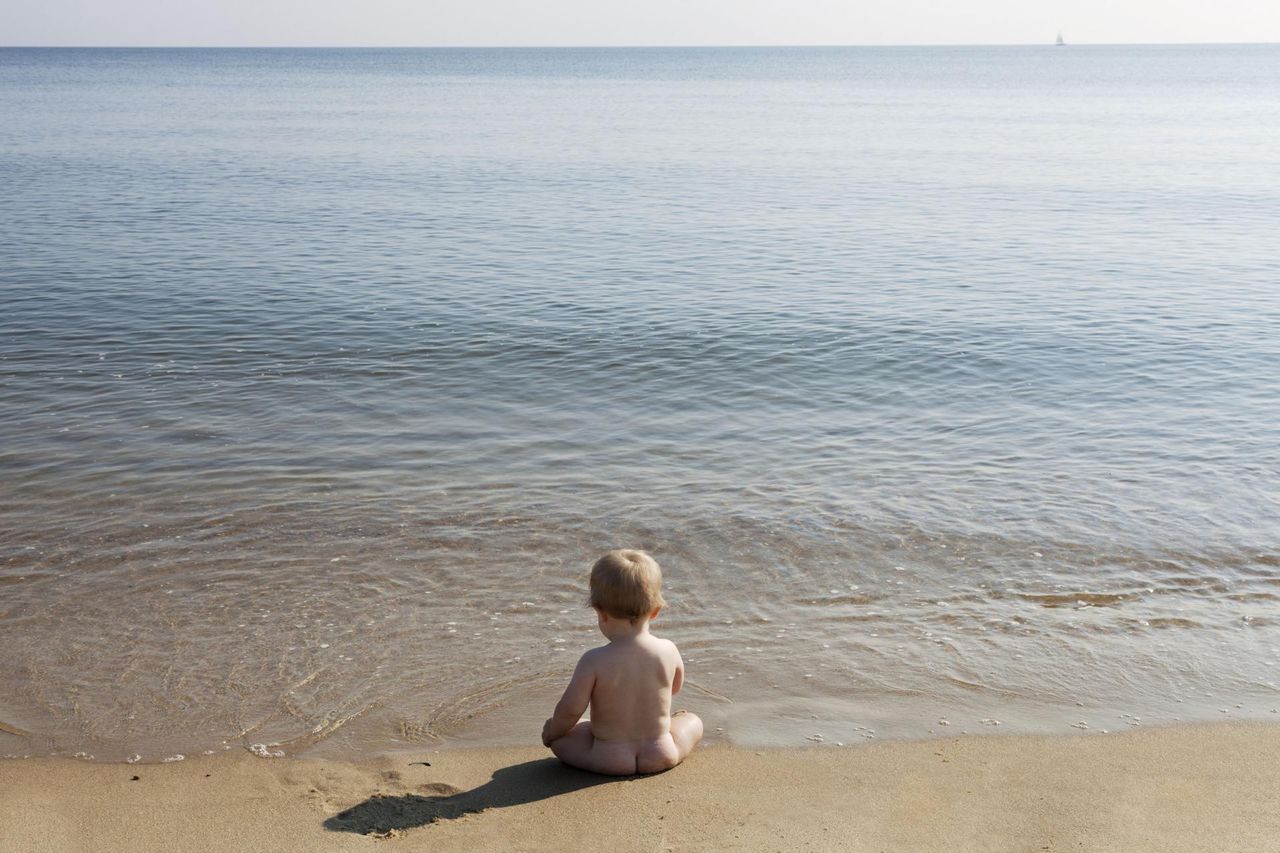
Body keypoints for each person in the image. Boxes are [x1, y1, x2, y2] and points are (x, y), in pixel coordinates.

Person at [541, 549, 703, 775]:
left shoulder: (594, 660)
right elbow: (674, 688)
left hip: (609, 758)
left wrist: (552, 732)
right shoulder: (668, 649)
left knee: (563, 738)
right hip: (661, 751)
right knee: (693, 721)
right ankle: (671, 734)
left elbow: (570, 711)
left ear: (601, 612)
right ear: (655, 611)